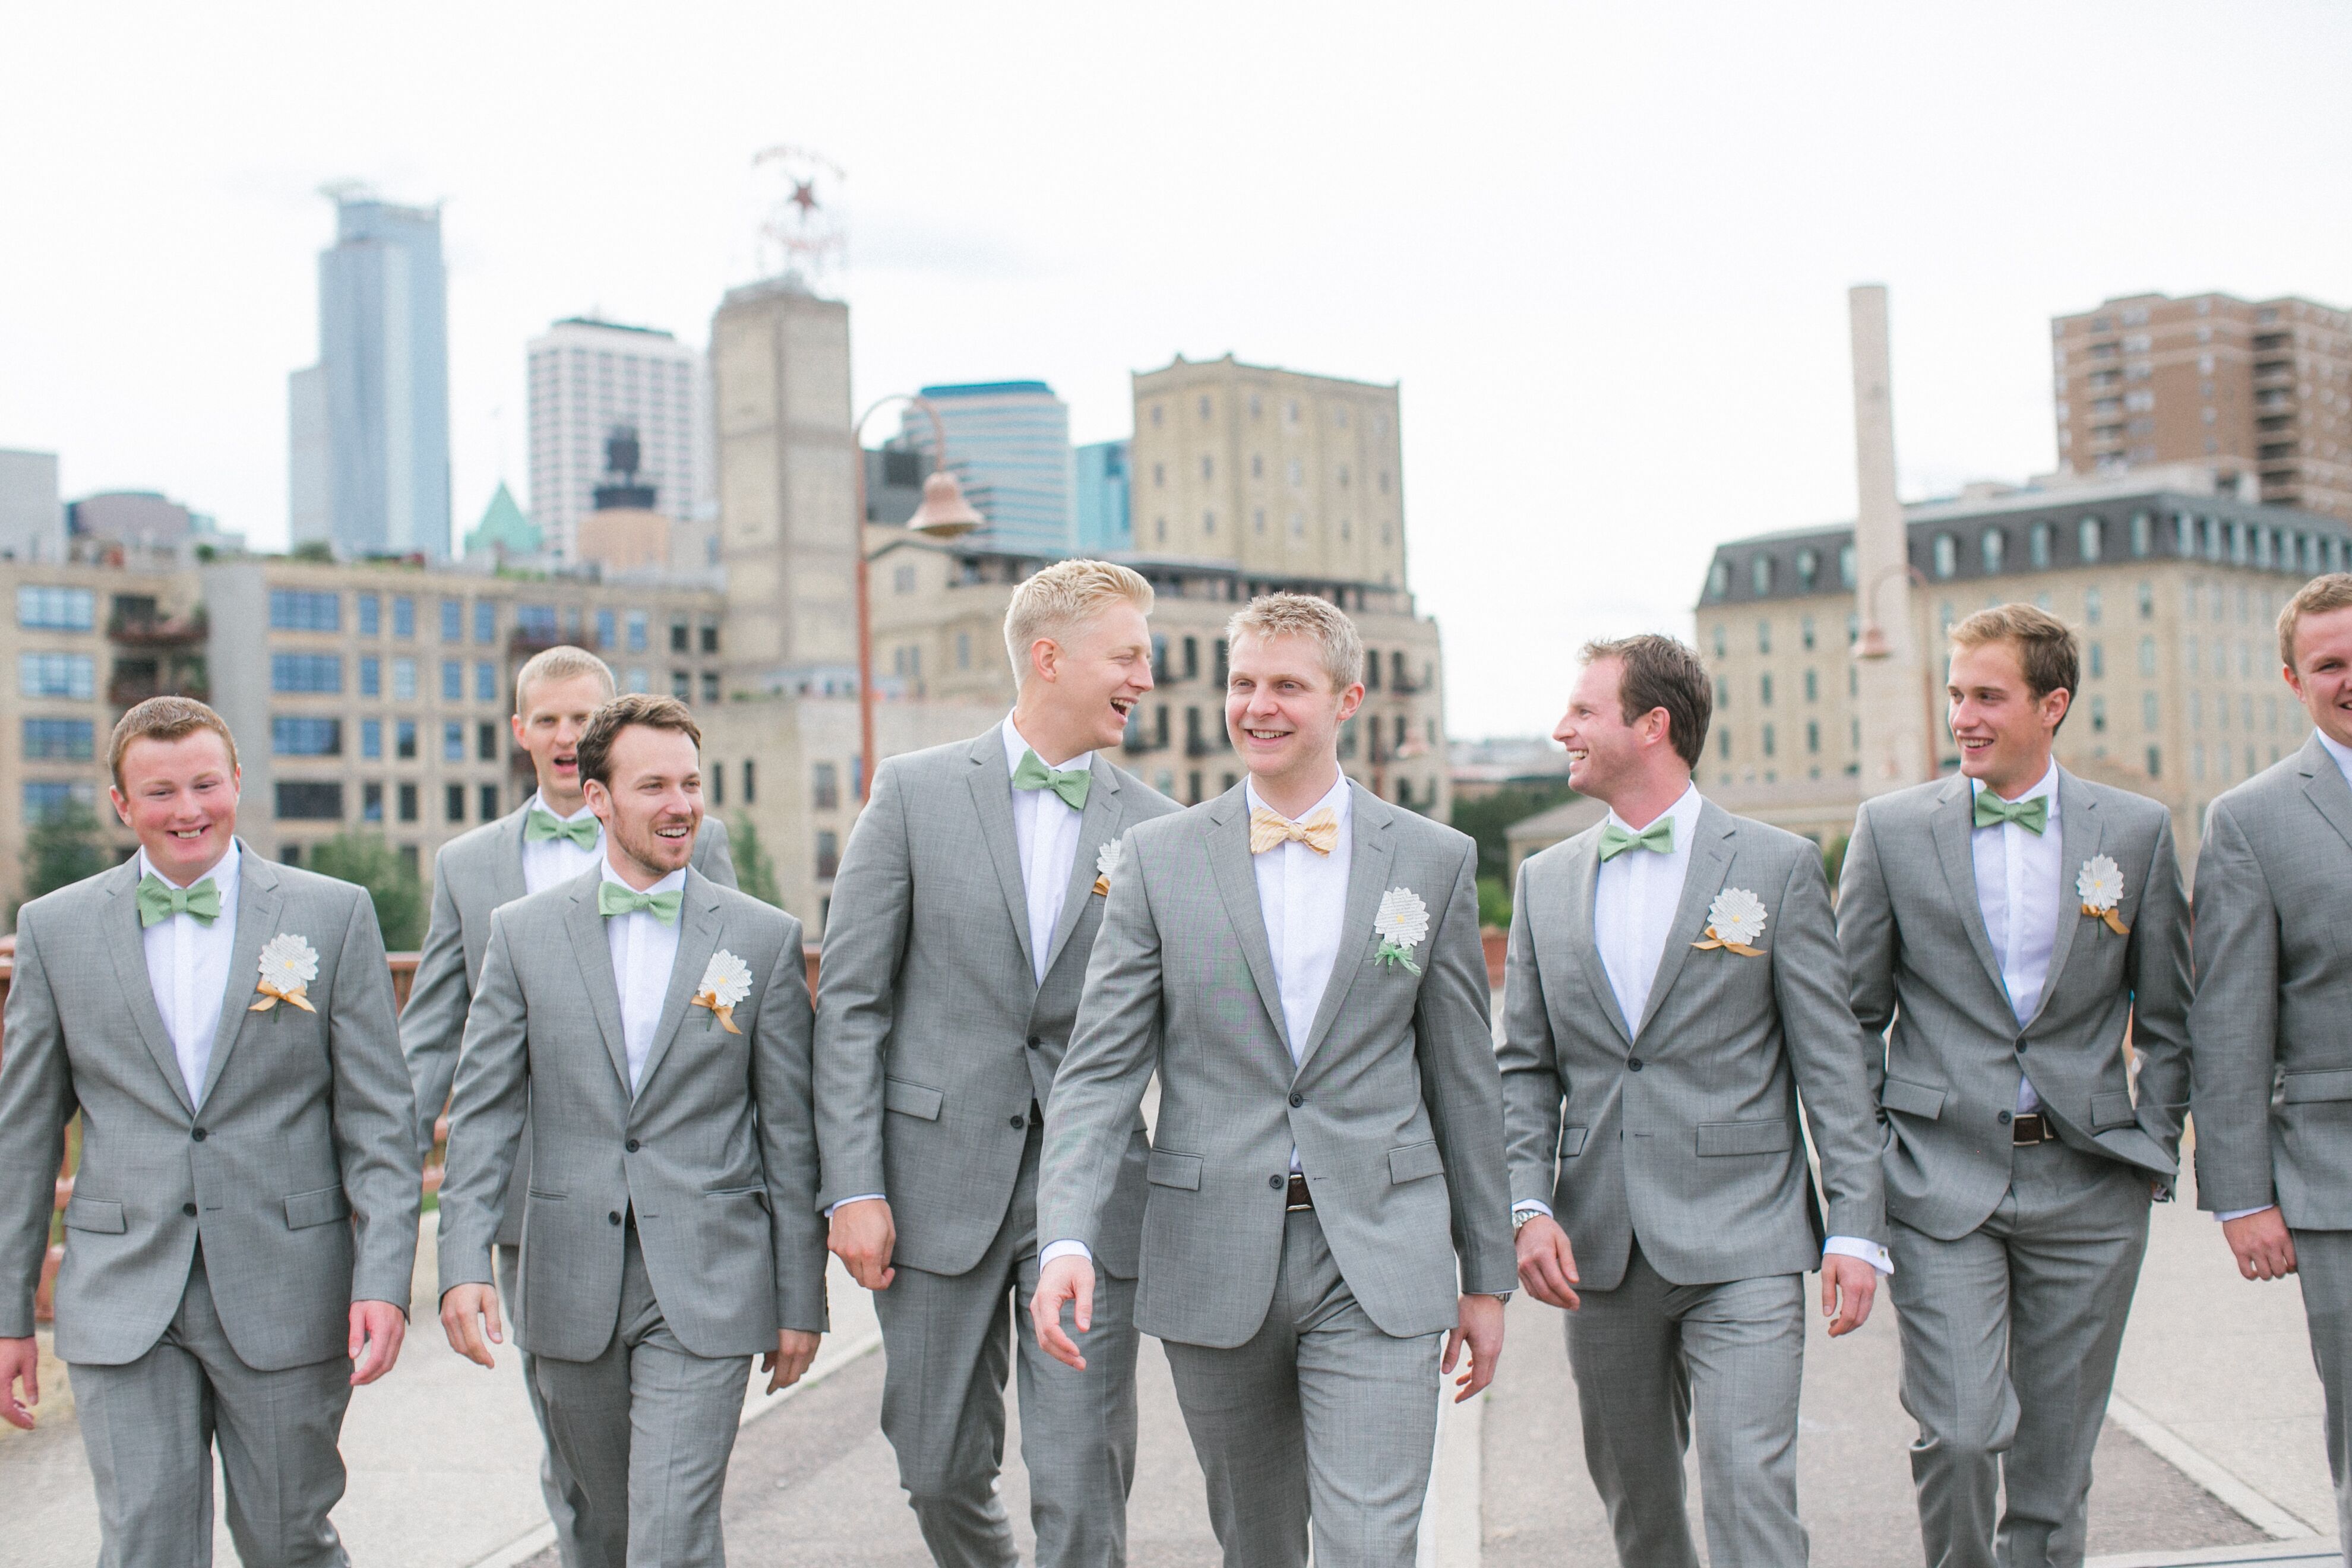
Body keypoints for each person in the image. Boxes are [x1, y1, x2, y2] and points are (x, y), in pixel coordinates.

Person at [1031, 591, 1513, 1568]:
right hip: (1213, 1251)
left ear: (1347, 700)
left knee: (1371, 1545)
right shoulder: (1158, 861)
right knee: (1256, 1544)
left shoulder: (1432, 859)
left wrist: (1486, 1273)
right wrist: (1069, 1234)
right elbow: (1098, 1072)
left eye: (1287, 685)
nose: (1259, 706)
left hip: (1378, 1253)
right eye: (1242, 684)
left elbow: (1465, 1081)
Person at [815, 558, 1177, 1567]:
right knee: (935, 1467)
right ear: (1050, 659)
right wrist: (852, 1185)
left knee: (1082, 1480)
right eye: (1130, 656)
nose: (1147, 678)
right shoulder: (915, 793)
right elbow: (848, 1003)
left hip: (1094, 1192)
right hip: (930, 1192)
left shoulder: (1155, 827)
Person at [0, 696, 418, 1566]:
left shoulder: (332, 914)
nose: (186, 810)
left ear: (237, 782)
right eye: (159, 793)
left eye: (203, 784)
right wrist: (8, 1315)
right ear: (122, 803)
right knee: (144, 1543)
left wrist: (385, 1279)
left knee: (287, 1540)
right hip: (123, 1293)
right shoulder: (54, 928)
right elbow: (25, 1136)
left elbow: (379, 1119)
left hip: (288, 1289)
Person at [1500, 634, 1886, 1568]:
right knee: (1637, 1498)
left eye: (1585, 712)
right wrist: (1527, 1202)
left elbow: (1831, 1063)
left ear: (1653, 725)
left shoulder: (1776, 865)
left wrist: (1855, 1228)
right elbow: (1523, 1068)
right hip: (1601, 1247)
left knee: (1749, 1482)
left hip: (1746, 1237)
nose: (1564, 729)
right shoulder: (1542, 882)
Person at [435, 694, 824, 1568]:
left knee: (670, 1535)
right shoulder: (522, 935)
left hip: (711, 1280)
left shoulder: (763, 941)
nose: (679, 803)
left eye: (690, 783)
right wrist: (460, 1261)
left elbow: (791, 1134)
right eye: (653, 785)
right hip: (567, 1278)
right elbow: (486, 1111)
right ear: (597, 799)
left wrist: (802, 1296)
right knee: (601, 1529)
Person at [1838, 603, 2191, 1568]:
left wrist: (2149, 1154)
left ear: (2053, 704)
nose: (1964, 716)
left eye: (1988, 696)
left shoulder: (2137, 832)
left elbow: (2169, 1018)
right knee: (1957, 1432)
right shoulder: (1893, 831)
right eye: (1956, 695)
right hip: (1941, 1182)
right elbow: (1849, 1021)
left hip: (2090, 1188)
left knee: (2054, 1462)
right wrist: (1868, 1168)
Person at [400, 645, 732, 1566]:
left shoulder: (695, 832)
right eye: (545, 719)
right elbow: (435, 1036)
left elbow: (736, 1002)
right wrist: (392, 1180)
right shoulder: (470, 867)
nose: (563, 734)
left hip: (679, 1194)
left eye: (580, 717)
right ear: (520, 734)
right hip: (534, 1204)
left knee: (673, 1479)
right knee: (581, 1462)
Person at [2188, 573, 2352, 1561]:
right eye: (2331, 665)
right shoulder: (2250, 820)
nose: (2351, 679)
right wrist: (2242, 1196)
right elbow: (2232, 1021)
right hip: (2336, 1178)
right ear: (2294, 679)